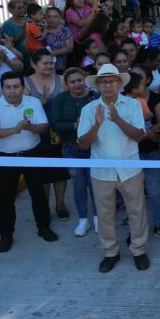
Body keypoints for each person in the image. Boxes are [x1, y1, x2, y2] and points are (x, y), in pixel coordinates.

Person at [77, 64, 151, 272]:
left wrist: (117, 119)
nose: (108, 85)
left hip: (130, 168)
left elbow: (139, 135)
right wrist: (97, 124)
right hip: (101, 172)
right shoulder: (89, 110)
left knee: (137, 210)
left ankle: (139, 250)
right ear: (98, 85)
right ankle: (110, 253)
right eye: (103, 81)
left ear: (119, 83)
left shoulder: (133, 105)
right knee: (105, 213)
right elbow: (83, 143)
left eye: (112, 81)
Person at [0, 72, 58, 252]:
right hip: (6, 157)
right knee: (6, 198)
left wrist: (30, 127)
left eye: (16, 86)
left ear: (23, 87)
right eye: (8, 87)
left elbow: (44, 127)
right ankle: (6, 235)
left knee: (38, 194)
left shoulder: (33, 102)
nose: (12, 91)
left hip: (32, 154)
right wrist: (13, 130)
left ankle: (44, 227)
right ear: (2, 89)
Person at [126, 66, 160, 243]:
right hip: (130, 155)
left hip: (151, 152)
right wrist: (147, 133)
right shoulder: (123, 102)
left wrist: (154, 129)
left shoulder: (155, 99)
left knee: (154, 191)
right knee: (133, 194)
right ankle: (136, 229)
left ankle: (159, 224)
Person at [49, 67, 99, 237]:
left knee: (96, 184)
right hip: (71, 148)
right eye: (73, 81)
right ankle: (83, 219)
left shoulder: (95, 97)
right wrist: (74, 126)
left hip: (94, 148)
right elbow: (55, 123)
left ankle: (99, 218)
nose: (77, 84)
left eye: (80, 80)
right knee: (78, 185)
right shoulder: (60, 99)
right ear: (67, 84)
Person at [25, 50, 70, 220]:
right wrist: (40, 103)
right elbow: (25, 109)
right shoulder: (26, 83)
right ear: (34, 64)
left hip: (59, 132)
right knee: (42, 173)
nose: (50, 66)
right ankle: (44, 206)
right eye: (45, 63)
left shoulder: (61, 79)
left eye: (51, 63)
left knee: (60, 172)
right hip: (37, 133)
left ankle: (60, 204)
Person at [41, 7, 75, 72]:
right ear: (45, 18)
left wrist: (53, 53)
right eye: (49, 17)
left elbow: (69, 48)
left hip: (66, 64)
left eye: (55, 17)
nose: (52, 19)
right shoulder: (41, 31)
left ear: (60, 18)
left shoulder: (65, 30)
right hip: (47, 67)